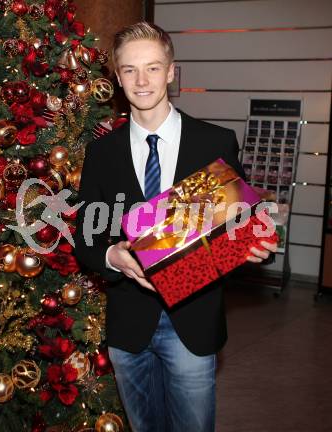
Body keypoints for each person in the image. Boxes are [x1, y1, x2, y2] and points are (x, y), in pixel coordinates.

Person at [74, 22, 277, 432]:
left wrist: (255, 244)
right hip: (129, 323)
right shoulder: (101, 152)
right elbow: (87, 235)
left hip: (192, 321)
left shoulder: (215, 142)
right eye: (130, 70)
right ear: (117, 77)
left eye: (152, 67)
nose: (142, 80)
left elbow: (239, 222)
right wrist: (112, 255)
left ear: (171, 71)